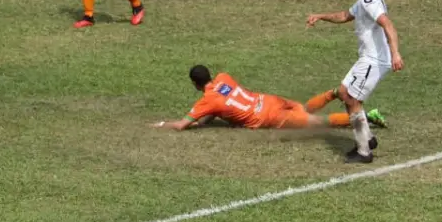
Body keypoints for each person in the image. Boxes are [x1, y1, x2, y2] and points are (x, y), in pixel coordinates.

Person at [306, 0, 403, 163]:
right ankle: (368, 138)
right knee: (343, 92)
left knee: (352, 100)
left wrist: (395, 53)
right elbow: (344, 15)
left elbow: (388, 24)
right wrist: (320, 16)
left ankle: (364, 151)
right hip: (367, 58)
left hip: (374, 60)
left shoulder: (369, 0)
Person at [150, 65, 387, 132]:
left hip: (267, 116)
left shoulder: (207, 101)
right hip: (269, 100)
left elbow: (183, 125)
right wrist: (206, 118)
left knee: (318, 123)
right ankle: (332, 93)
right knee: (305, 109)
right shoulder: (224, 77)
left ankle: (365, 116)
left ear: (194, 84)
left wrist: (162, 124)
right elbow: (217, 108)